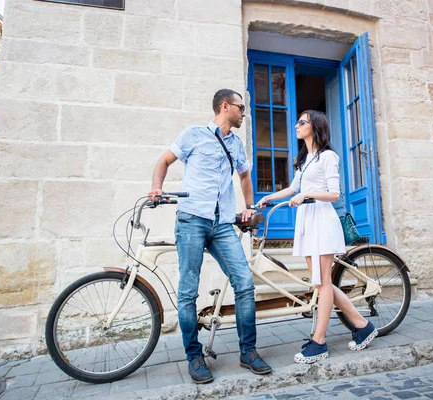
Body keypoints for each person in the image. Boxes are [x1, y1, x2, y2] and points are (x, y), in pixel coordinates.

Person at [148, 89, 271, 384]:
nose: (245, 113)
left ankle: (248, 351)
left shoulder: (237, 144)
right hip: (191, 220)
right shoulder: (193, 135)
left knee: (243, 281)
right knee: (189, 290)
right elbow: (163, 161)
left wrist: (250, 206)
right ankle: (194, 356)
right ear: (225, 106)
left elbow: (244, 175)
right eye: (241, 107)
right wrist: (156, 187)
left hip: (223, 223)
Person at [257, 110, 377, 364]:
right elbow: (293, 188)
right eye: (298, 122)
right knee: (321, 283)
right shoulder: (305, 158)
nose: (296, 126)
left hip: (322, 220)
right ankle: (362, 324)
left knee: (322, 284)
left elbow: (334, 194)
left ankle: (319, 342)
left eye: (302, 122)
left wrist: (307, 195)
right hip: (307, 221)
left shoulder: (328, 157)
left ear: (316, 127)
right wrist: (269, 197)